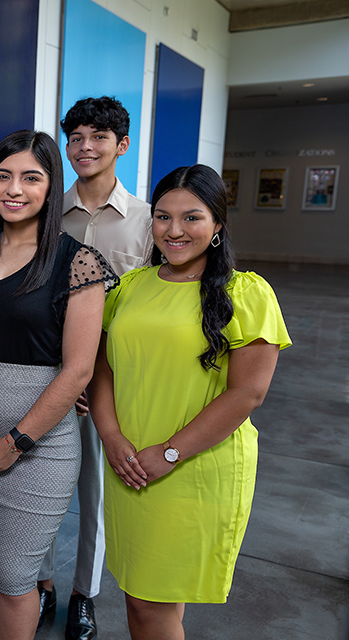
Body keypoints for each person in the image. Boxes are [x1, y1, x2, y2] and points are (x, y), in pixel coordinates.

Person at [89, 164, 290, 640]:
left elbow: (249, 392)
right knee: (144, 597)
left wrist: (170, 451)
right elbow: (101, 368)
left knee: (148, 603)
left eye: (191, 218)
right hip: (129, 463)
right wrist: (111, 435)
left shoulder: (246, 292)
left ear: (218, 224)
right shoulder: (132, 287)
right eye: (162, 217)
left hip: (194, 467)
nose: (174, 231)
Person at [0, 130, 117, 640]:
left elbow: (78, 371)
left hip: (38, 452)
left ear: (49, 185)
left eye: (31, 178)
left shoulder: (75, 262)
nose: (14, 189)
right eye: (3, 176)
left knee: (17, 577)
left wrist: (13, 445)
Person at [38, 95, 152, 639]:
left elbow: (148, 308)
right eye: (76, 138)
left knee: (96, 497)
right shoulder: (43, 212)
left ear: (121, 145)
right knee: (38, 489)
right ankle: (42, 584)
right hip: (44, 375)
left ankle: (84, 592)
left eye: (99, 138)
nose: (85, 148)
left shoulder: (148, 224)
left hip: (108, 384)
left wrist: (97, 376)